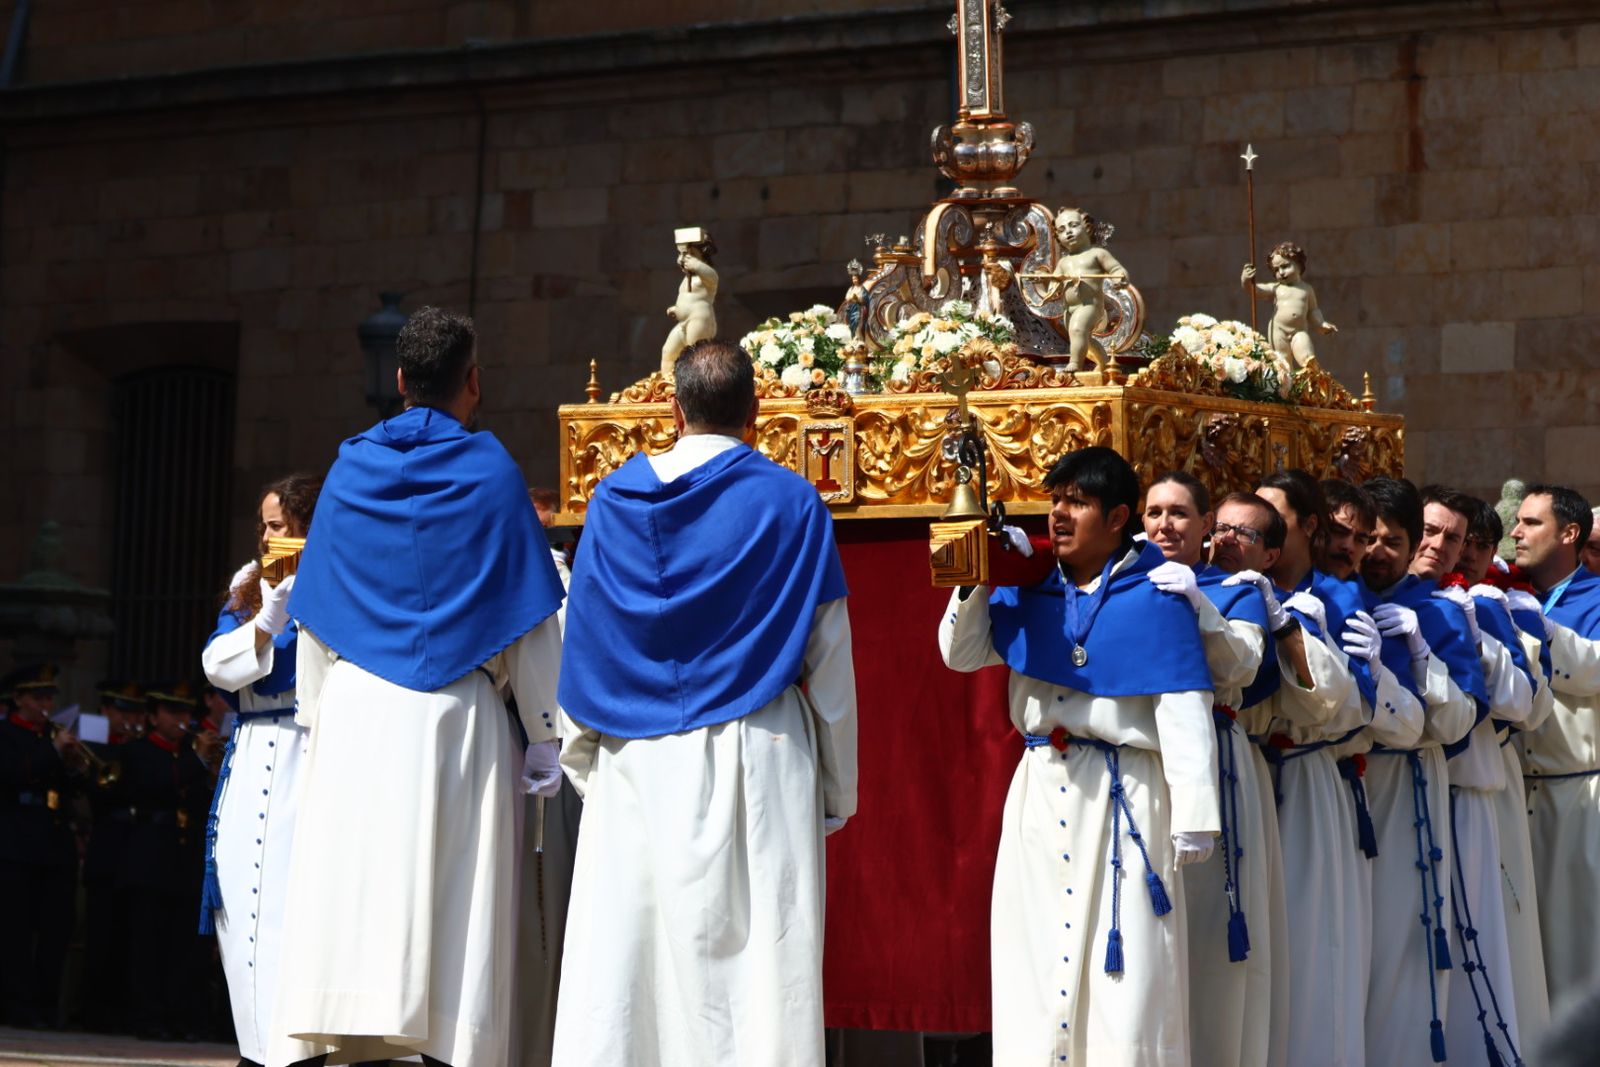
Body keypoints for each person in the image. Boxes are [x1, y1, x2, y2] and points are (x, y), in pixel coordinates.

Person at [272, 306, 566, 1067]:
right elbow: (530, 619)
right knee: (455, 915)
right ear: (474, 383)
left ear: (399, 380)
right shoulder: (494, 471)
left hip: (357, 712)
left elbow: (314, 618)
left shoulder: (350, 468)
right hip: (457, 716)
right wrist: (544, 732)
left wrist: (315, 717)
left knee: (362, 901)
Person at [553, 338, 856, 1066]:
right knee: (757, 982)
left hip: (636, 760)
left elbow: (583, 639)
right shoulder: (793, 501)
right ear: (757, 412)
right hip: (760, 753)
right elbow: (830, 652)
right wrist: (836, 786)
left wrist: (588, 762)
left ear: (671, 407)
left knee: (631, 974)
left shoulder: (612, 502)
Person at [940, 446, 1216, 1065]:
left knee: (1129, 974)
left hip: (1128, 798)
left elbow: (1184, 707)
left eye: (1078, 503)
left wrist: (1196, 814)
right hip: (1041, 791)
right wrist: (977, 574)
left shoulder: (1157, 596)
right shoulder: (1030, 586)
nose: (1059, 516)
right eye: (1055, 501)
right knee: (1034, 960)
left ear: (1119, 517)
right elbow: (960, 654)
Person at [1143, 475, 1287, 1067]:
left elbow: (1243, 667)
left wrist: (1202, 607)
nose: (1165, 525)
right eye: (1154, 512)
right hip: (1141, 766)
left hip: (1216, 761)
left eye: (1181, 513)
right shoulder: (1123, 580)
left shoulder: (1237, 590)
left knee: (1209, 940)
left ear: (1203, 527)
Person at [199, 472, 322, 1067]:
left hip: (313, 753)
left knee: (299, 909)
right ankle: (255, 1049)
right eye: (264, 525)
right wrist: (265, 622)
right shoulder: (249, 584)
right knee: (246, 915)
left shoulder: (337, 574)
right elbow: (218, 666)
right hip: (252, 755)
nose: (267, 536)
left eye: (277, 525)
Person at [1250, 471, 1373, 1067]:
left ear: (1308, 527)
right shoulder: (1232, 586)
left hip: (1303, 778)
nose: (1257, 529)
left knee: (1306, 949)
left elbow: (1358, 707)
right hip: (1246, 779)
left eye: (1274, 517)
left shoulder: (1339, 599)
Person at [1357, 478, 1481, 1064]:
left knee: (1400, 952)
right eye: (1368, 538)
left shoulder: (1438, 612)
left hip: (1407, 789)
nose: (1377, 552)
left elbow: (1457, 722)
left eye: (1392, 540)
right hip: (1338, 788)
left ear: (1412, 549)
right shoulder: (1336, 596)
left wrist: (1420, 654)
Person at [1414, 486, 1535, 1066]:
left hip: (1467, 791)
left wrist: (1481, 643)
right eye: (1431, 533)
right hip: (1405, 788)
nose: (1446, 551)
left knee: (1474, 942)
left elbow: (1527, 704)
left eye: (1460, 540)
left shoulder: (1485, 604)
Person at [1457, 497, 1554, 1051]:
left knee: (1502, 916)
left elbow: (1533, 709)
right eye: (1458, 541)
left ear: (1493, 551)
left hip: (1492, 770)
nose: (1465, 554)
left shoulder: (1513, 604)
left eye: (1477, 544)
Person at [1511, 485, 1600, 1004]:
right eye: (1516, 522)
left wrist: (1533, 629)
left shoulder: (1594, 596)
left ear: (1569, 533)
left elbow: (1591, 669)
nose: (1515, 533)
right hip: (1518, 798)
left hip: (1579, 804)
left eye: (1530, 523)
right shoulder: (1510, 593)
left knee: (1578, 955)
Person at [117, 680, 213, 1041]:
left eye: (186, 713)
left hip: (183, 860)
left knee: (183, 947)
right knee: (148, 945)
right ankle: (145, 1016)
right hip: (148, 858)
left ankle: (180, 1015)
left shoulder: (187, 756)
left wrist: (211, 773)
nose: (182, 720)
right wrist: (198, 761)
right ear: (154, 716)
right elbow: (156, 785)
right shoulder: (138, 752)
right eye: (173, 712)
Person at [0, 663, 82, 1030]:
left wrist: (74, 763)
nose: (45, 704)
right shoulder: (6, 734)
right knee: (16, 930)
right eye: (37, 697)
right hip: (16, 841)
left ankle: (47, 1006)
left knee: (55, 929)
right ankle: (17, 1006)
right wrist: (53, 750)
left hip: (55, 844)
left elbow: (76, 792)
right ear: (17, 699)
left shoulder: (53, 735)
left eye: (49, 696)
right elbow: (16, 773)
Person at [79, 681, 148, 1033]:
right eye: (122, 712)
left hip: (135, 850)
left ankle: (121, 1011)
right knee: (100, 934)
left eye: (135, 713)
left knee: (128, 935)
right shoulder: (94, 743)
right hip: (107, 845)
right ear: (106, 711)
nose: (129, 719)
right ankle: (92, 1012)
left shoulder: (140, 749)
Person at [1040, 208, 1129, 372]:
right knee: (1083, 338)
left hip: (1090, 305)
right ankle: (1105, 364)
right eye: (1062, 230)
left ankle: (1075, 364)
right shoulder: (1063, 262)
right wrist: (1048, 284)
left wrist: (1120, 276)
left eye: (1073, 226)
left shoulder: (1097, 254)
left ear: (1087, 228)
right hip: (1070, 309)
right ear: (1057, 237)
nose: (1068, 232)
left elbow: (1117, 269)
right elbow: (1055, 284)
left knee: (1078, 329)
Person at [1240, 241, 1337, 368]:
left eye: (1285, 266)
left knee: (1307, 358)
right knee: (1282, 365)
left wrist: (1321, 324)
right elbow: (1256, 291)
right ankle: (1286, 386)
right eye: (1276, 270)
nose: (1281, 272)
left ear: (1299, 264)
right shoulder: (1276, 288)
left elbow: (1313, 311)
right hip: (1278, 330)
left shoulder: (1306, 289)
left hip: (1299, 331)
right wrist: (1246, 281)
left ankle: (1312, 385)